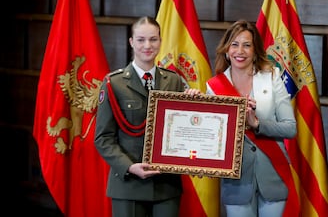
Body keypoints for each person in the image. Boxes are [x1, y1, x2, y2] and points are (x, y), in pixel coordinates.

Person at [205, 19, 298, 217]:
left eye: (247, 45)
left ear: (255, 51)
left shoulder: (272, 77)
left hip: (272, 174)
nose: (240, 51)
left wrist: (256, 124)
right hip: (236, 181)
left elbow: (290, 128)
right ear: (227, 50)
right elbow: (212, 138)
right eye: (235, 44)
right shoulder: (214, 87)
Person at [94, 16, 185, 217]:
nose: (147, 45)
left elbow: (182, 130)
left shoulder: (174, 81)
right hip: (128, 185)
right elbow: (103, 138)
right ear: (131, 42)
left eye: (153, 39)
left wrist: (195, 103)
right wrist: (129, 167)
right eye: (141, 39)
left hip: (166, 185)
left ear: (160, 41)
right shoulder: (113, 84)